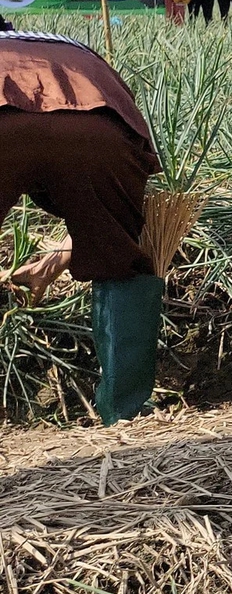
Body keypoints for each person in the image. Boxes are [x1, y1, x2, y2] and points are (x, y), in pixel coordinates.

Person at [0, 31, 164, 424]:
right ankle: (125, 412)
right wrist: (56, 260)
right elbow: (113, 216)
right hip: (98, 132)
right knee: (119, 259)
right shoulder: (66, 46)